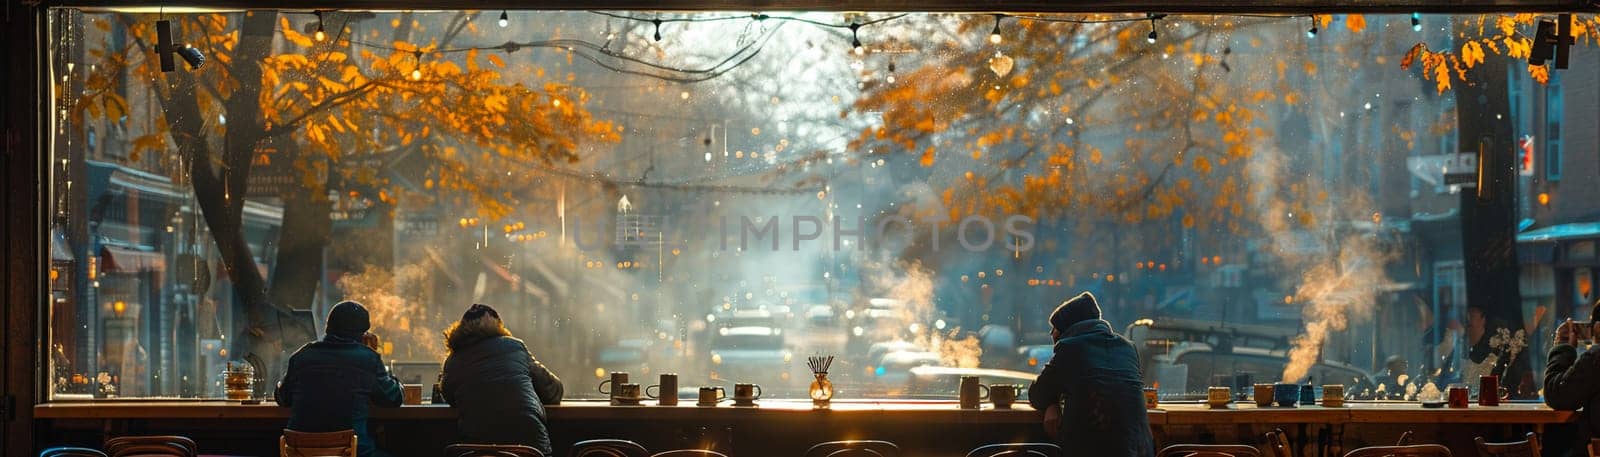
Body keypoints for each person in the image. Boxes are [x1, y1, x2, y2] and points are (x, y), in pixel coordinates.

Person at [1028, 292, 1154, 457]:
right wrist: (1054, 402)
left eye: (1054, 328)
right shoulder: (1128, 348)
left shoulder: (1070, 348)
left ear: (1066, 328)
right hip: (1141, 450)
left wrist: (1052, 403)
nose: (1051, 333)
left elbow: (1037, 395)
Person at [275, 301, 403, 457]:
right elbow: (394, 398)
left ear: (328, 328)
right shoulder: (367, 359)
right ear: (362, 334)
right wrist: (370, 353)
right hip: (354, 452)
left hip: (299, 452)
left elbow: (282, 398)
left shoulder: (301, 356)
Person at [439, 304, 564, 456]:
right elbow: (553, 392)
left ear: (459, 329)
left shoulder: (453, 361)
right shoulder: (514, 346)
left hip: (478, 448)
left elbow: (450, 397)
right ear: (499, 325)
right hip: (528, 446)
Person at [1544, 301, 1600, 456]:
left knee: (1552, 440)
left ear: (1596, 327)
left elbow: (1556, 394)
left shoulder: (1596, 357)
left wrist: (1563, 348)